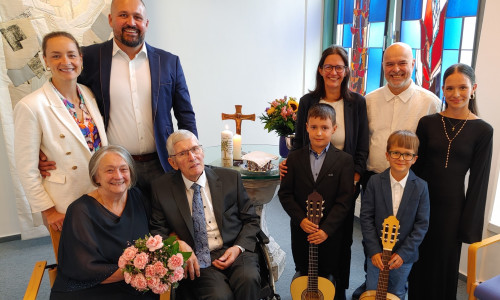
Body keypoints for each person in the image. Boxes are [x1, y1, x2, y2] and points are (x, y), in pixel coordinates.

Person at [39, 0, 198, 198]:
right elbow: (60, 100)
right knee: (124, 225)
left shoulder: (168, 61)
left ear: (146, 23)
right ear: (111, 19)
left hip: (162, 163)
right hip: (115, 168)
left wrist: (193, 153)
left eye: (137, 17)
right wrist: (43, 150)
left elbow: (185, 114)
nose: (131, 22)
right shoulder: (89, 57)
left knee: (165, 224)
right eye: (123, 15)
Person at [352, 42, 441, 299]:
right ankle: (371, 287)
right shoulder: (369, 101)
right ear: (383, 66)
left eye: (402, 62)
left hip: (410, 185)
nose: (396, 69)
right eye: (390, 63)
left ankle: (394, 291)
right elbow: (361, 143)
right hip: (375, 182)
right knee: (372, 243)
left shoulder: (430, 102)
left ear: (412, 64)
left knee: (402, 249)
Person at [280, 45, 369, 299]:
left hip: (343, 180)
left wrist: (355, 176)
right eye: (328, 66)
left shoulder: (357, 103)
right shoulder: (308, 101)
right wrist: (289, 165)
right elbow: (299, 142)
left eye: (339, 67)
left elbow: (362, 144)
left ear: (346, 71)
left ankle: (336, 290)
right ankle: (307, 286)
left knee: (339, 240)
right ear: (320, 70)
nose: (333, 72)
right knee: (306, 238)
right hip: (309, 178)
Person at [408, 63, 493, 299]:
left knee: (444, 267)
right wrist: (407, 207)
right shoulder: (427, 123)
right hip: (422, 204)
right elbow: (415, 169)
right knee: (418, 262)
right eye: (450, 88)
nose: (456, 94)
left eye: (463, 88)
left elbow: (479, 181)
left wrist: (469, 226)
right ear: (442, 90)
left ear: (473, 88)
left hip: (453, 211)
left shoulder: (483, 130)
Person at [149, 130, 261, 299]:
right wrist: (178, 244)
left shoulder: (230, 178)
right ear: (173, 163)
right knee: (219, 297)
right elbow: (157, 232)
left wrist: (238, 248)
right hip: (200, 258)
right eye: (183, 153)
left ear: (202, 151)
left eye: (195, 149)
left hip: (235, 248)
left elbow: (251, 220)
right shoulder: (161, 189)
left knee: (248, 280)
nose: (192, 157)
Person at [13, 31, 108, 232]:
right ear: (45, 60)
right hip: (64, 201)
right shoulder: (31, 106)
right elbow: (26, 168)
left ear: (81, 59)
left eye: (72, 55)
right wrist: (48, 211)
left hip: (100, 193)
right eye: (56, 56)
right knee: (76, 259)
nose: (66, 61)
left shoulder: (88, 93)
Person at [50, 145, 156, 299]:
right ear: (96, 177)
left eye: (123, 169)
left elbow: (158, 233)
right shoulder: (80, 210)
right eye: (109, 170)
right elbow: (84, 269)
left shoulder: (139, 197)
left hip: (134, 284)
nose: (118, 176)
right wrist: (139, 269)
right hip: (90, 287)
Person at [278, 103, 355, 295]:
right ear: (306, 127)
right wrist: (301, 220)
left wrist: (326, 230)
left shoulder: (344, 161)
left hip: (330, 233)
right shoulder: (294, 159)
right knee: (303, 272)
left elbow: (345, 200)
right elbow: (285, 194)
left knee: (329, 275)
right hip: (301, 230)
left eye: (325, 128)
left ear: (334, 129)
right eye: (314, 127)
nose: (319, 133)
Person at [360, 130, 429, 300]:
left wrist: (403, 254)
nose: (401, 158)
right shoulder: (374, 182)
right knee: (372, 292)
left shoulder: (421, 187)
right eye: (396, 153)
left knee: (396, 293)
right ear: (387, 155)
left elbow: (422, 225)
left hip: (403, 257)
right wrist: (374, 251)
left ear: (414, 159)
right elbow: (366, 218)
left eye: (407, 154)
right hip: (377, 256)